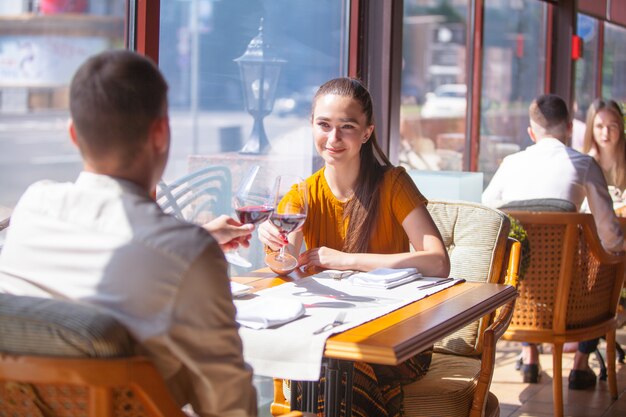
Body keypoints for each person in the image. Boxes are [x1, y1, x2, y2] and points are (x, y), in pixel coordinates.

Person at [0, 50, 257, 417]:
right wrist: (195, 248)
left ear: (74, 134)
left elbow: (109, 241)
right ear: (160, 133)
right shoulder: (186, 253)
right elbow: (228, 406)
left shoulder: (32, 204)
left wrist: (195, 241)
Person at [259, 77, 450, 417]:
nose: (333, 138)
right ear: (312, 127)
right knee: (331, 361)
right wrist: (273, 243)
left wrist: (347, 261)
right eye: (324, 125)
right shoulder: (302, 194)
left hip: (397, 342)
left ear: (366, 132)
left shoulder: (393, 183)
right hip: (332, 335)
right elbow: (285, 264)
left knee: (334, 366)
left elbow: (438, 262)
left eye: (347, 126)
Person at [482, 93, 624, 390]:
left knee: (523, 264)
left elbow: (488, 216)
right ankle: (580, 365)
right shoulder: (583, 164)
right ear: (570, 128)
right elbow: (610, 235)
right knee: (598, 268)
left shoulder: (510, 165)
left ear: (532, 132)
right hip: (574, 307)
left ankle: (529, 355)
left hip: (513, 305)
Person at [582, 98, 626, 192]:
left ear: (620, 128)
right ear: (591, 129)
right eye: (599, 126)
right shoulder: (582, 159)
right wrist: (588, 162)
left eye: (612, 126)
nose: (606, 133)